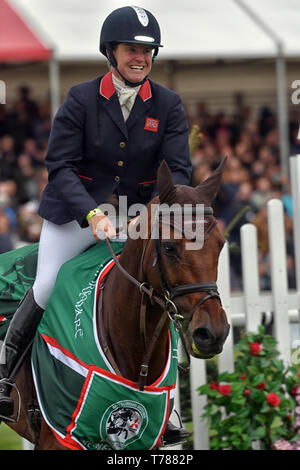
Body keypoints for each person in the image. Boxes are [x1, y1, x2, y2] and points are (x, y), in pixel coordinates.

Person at [0, 6, 191, 445]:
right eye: (131, 49)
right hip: (75, 212)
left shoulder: (167, 104)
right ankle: (6, 377)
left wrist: (154, 213)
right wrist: (92, 214)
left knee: (160, 292)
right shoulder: (81, 99)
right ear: (111, 52)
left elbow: (178, 171)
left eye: (147, 50)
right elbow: (59, 166)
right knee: (48, 285)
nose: (139, 57)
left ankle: (166, 407)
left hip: (137, 217)